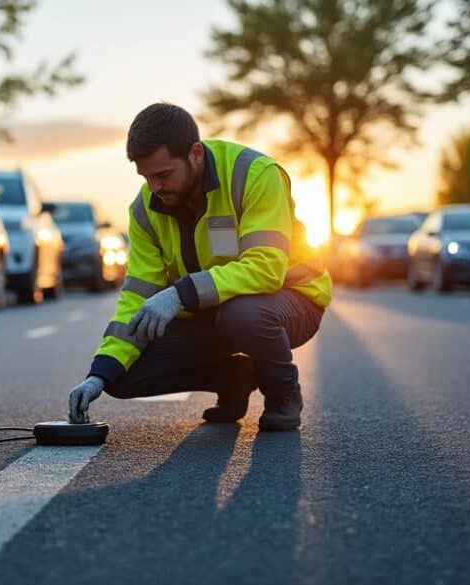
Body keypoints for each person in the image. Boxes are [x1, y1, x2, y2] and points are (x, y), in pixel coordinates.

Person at [67, 103, 332, 430]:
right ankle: (232, 379)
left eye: (163, 175)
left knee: (242, 315)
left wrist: (179, 294)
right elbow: (137, 298)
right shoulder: (145, 210)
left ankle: (282, 393)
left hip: (290, 299)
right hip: (210, 312)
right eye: (146, 177)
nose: (154, 188)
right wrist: (99, 373)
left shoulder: (255, 175)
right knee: (121, 377)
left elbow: (266, 269)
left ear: (195, 154)